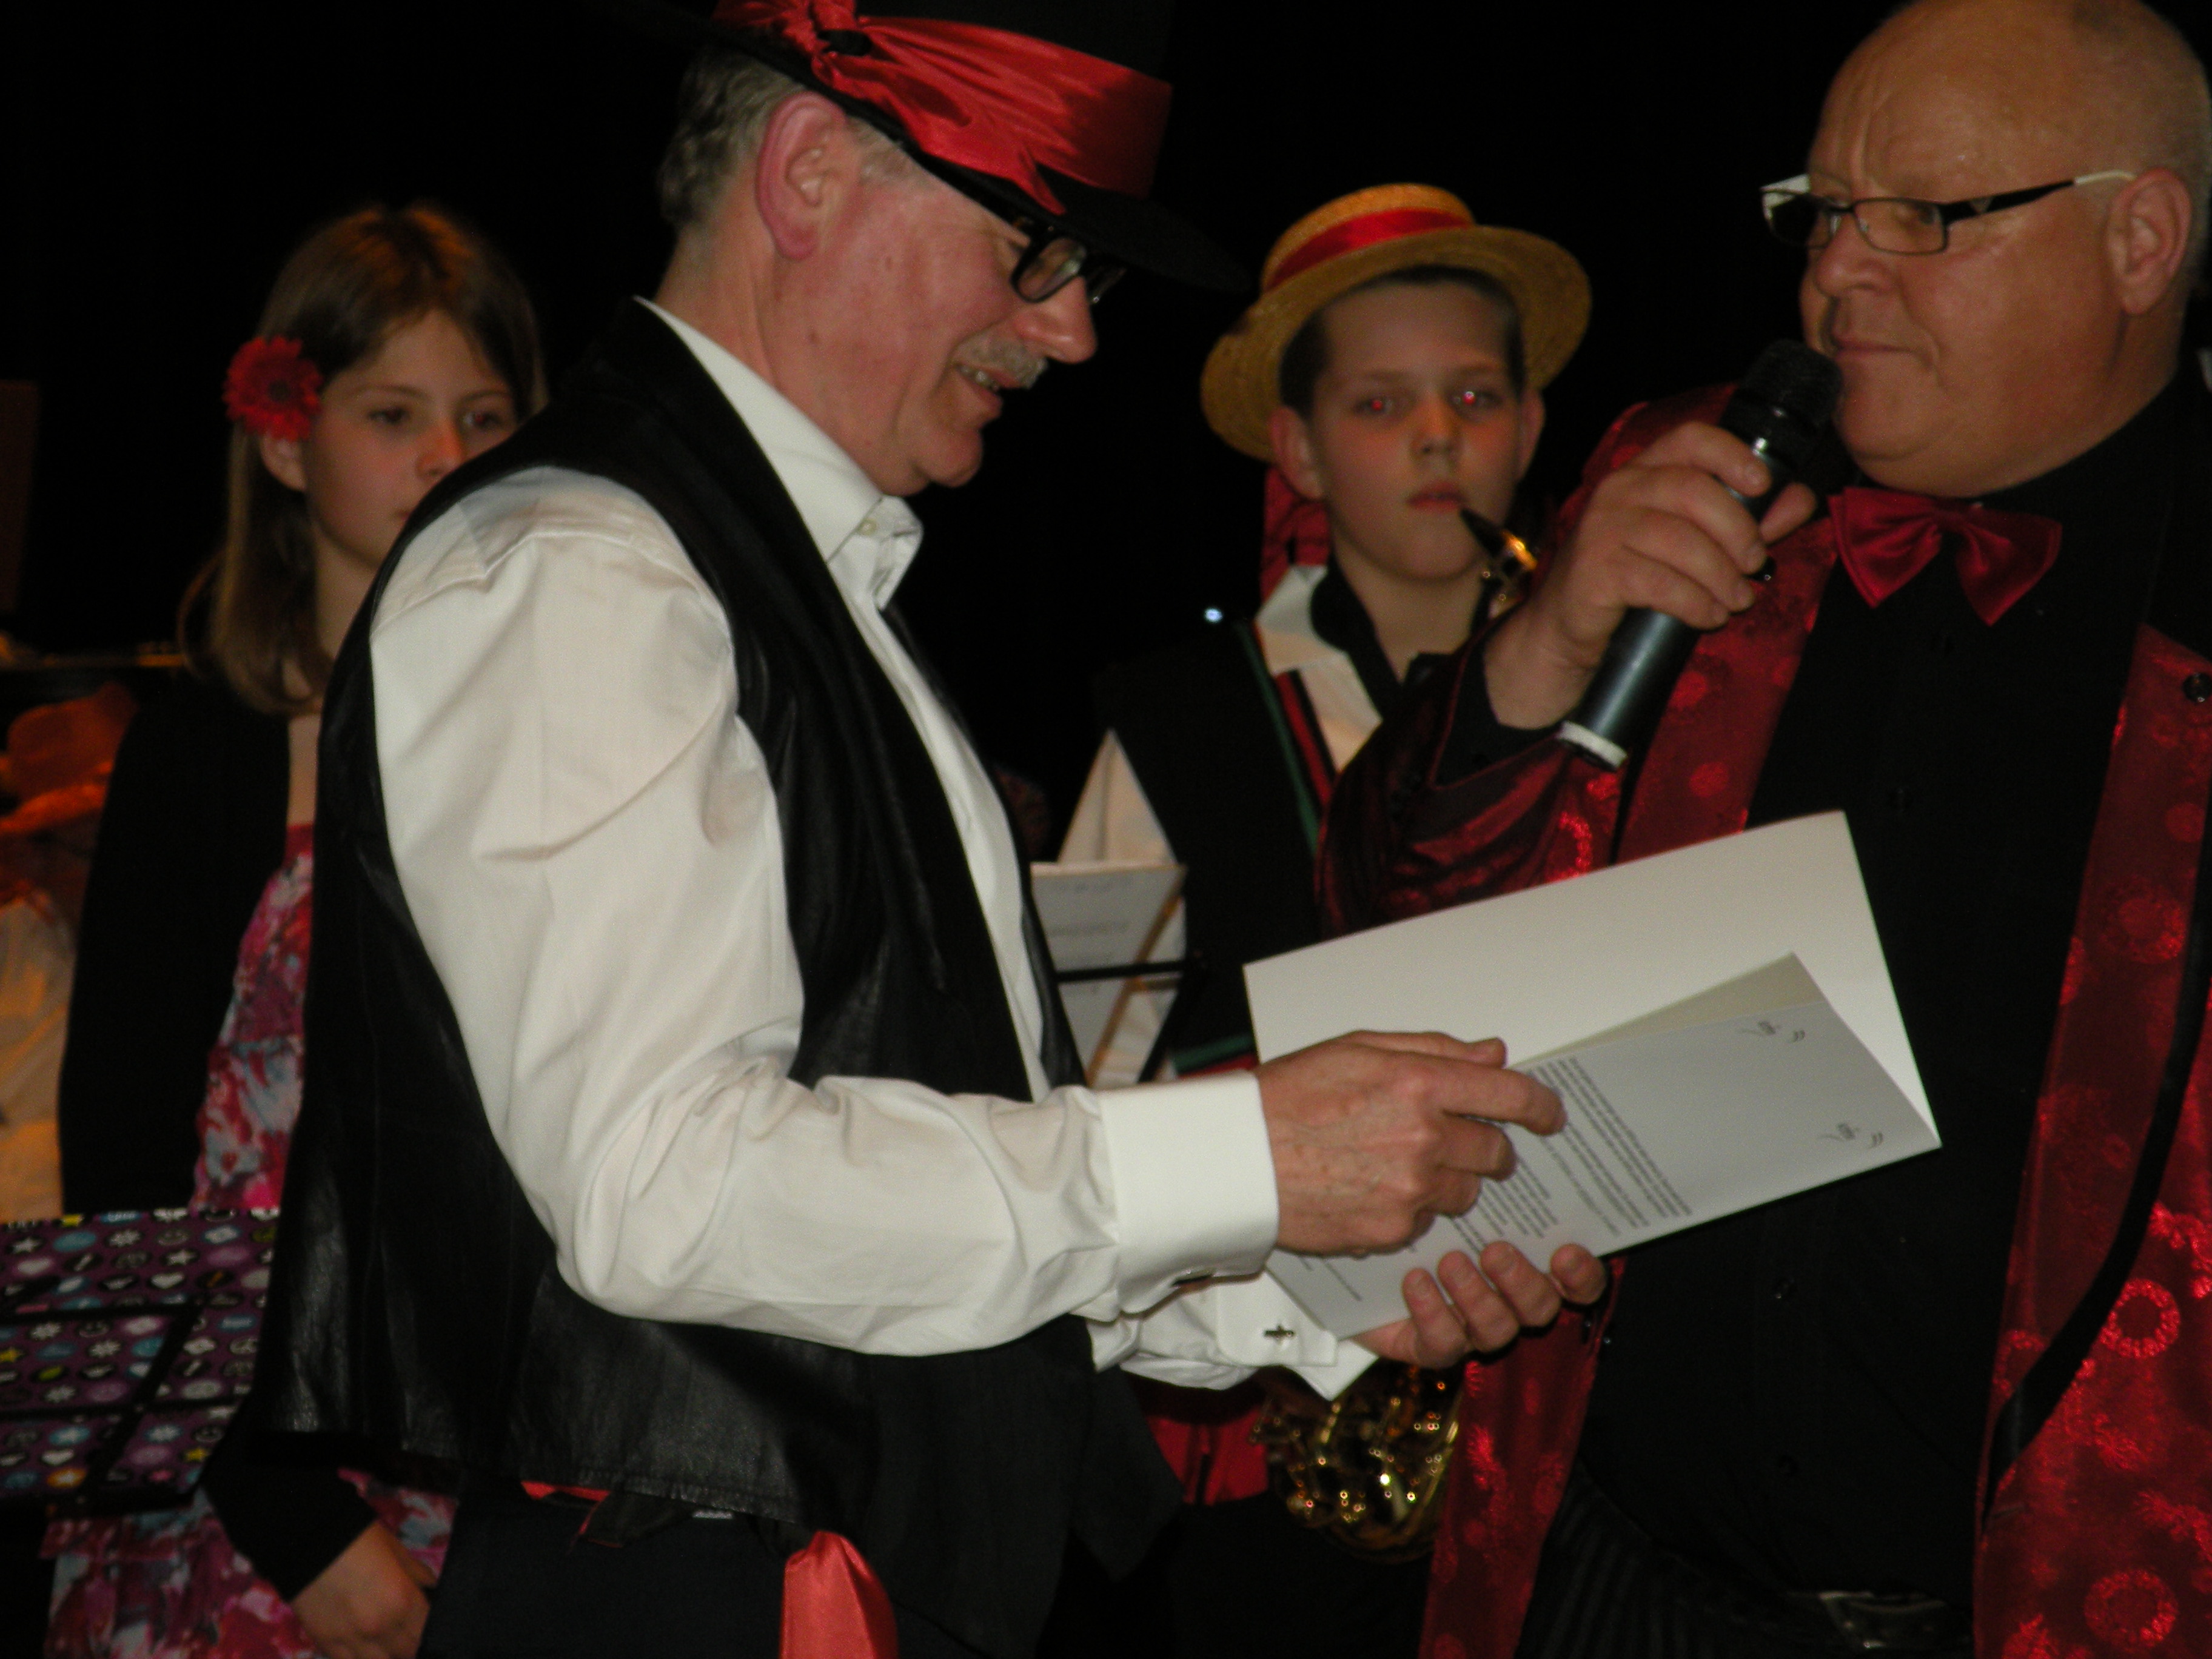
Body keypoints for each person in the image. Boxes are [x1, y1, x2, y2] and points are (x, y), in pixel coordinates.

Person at [241, 5, 1607, 1657]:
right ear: (810, 173)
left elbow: (924, 1186)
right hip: (714, 1604)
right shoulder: (581, 564)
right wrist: (1248, 1154)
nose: (1072, 332)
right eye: (1038, 251)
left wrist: (1314, 1267)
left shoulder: (799, 572)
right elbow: (666, 1188)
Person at [1318, 1, 2212, 1655]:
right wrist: (1536, 650)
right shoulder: (1695, 482)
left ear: (2140, 238)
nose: (1839, 275)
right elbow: (1375, 915)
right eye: (1824, 212)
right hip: (1614, 1584)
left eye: (1925, 217)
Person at [1057, 184, 1587, 1655]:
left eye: (1474, 396)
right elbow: (1076, 1085)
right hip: (1266, 1435)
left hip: (1564, 1418)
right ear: (1296, 451)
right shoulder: (1174, 721)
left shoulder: (1638, 692)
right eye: (1378, 404)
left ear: (1534, 427)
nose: (1438, 440)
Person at [46, 204, 543, 1659]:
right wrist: (302, 1527)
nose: (446, 457)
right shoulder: (202, 757)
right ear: (284, 441)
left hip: (498, 1469)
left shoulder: (566, 746)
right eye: (393, 415)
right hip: (246, 1482)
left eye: (484, 417)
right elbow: (126, 1183)